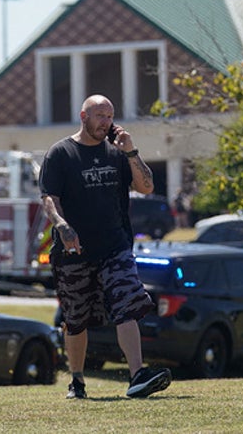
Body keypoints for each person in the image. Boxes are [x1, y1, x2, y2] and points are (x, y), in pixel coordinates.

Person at [40, 94, 171, 399]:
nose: (106, 123)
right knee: (76, 319)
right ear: (83, 116)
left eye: (110, 116)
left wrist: (131, 152)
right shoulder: (61, 153)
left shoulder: (117, 154)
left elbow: (146, 186)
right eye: (99, 116)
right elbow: (49, 199)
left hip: (115, 246)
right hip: (75, 251)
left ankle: (137, 375)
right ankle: (77, 380)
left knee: (126, 305)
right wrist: (61, 225)